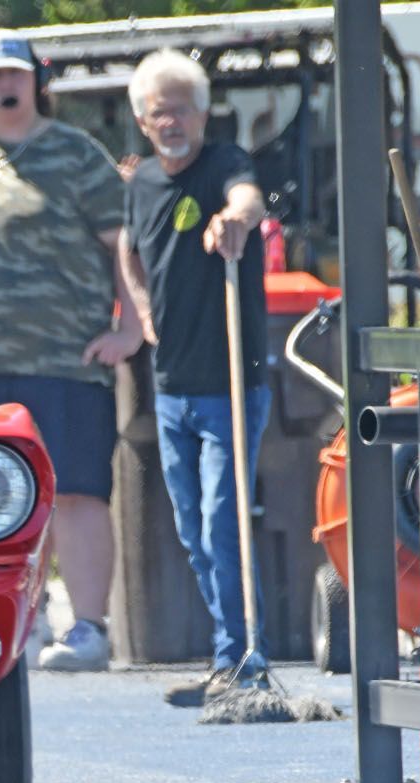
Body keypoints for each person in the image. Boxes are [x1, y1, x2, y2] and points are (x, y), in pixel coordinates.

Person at [0, 30, 144, 671]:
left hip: (65, 354)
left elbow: (122, 243)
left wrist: (130, 327)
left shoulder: (76, 153)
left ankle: (90, 628)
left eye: (15, 74)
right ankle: (21, 617)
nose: (5, 86)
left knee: (76, 491)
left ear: (35, 80)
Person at [118, 49, 271, 707]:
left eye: (182, 108)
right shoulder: (140, 184)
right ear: (142, 120)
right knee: (190, 528)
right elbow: (127, 248)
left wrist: (235, 218)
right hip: (171, 385)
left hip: (231, 383)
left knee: (219, 519)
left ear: (202, 113)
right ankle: (229, 650)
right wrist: (141, 308)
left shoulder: (223, 164)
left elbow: (247, 195)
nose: (171, 120)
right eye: (159, 111)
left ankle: (239, 658)